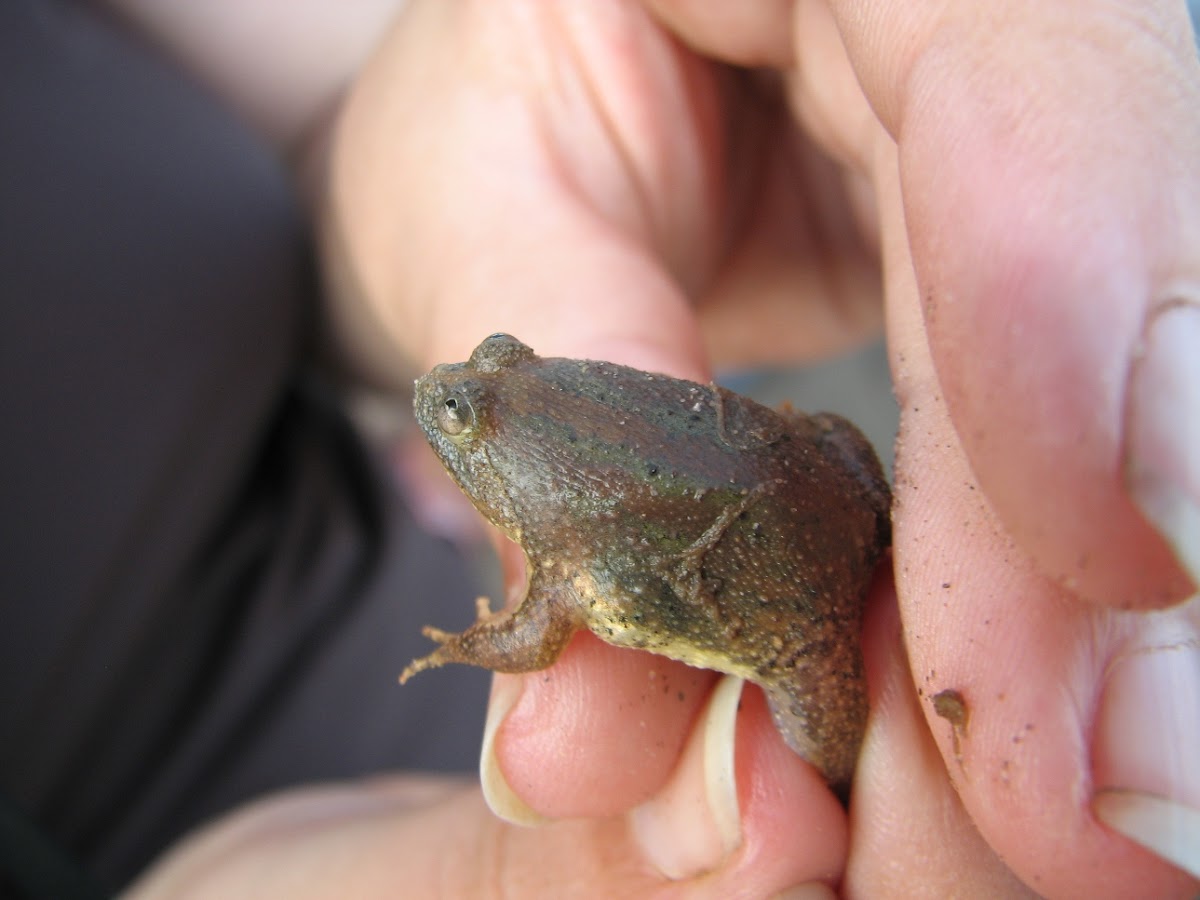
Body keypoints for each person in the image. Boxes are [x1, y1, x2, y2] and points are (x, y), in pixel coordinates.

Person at [8, 1, 1200, 897]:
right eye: (468, 416)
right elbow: (542, 609)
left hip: (797, 612)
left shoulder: (559, 554)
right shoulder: (561, 543)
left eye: (479, 388)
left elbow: (537, 632)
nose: (451, 398)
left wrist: (428, 147)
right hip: (250, 803)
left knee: (870, 770)